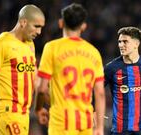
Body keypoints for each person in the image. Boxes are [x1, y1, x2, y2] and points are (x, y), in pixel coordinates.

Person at [35, 3, 105, 135]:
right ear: (83, 26)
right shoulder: (94, 52)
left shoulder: (52, 48)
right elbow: (100, 93)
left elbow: (42, 88)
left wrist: (38, 108)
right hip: (85, 122)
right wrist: (99, 127)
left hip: (62, 121)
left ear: (61, 23)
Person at [0, 4, 45, 135]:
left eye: (41, 27)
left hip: (24, 115)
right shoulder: (0, 43)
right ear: (23, 22)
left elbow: (36, 80)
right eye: (36, 26)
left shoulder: (30, 45)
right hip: (7, 114)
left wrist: (41, 105)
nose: (39, 32)